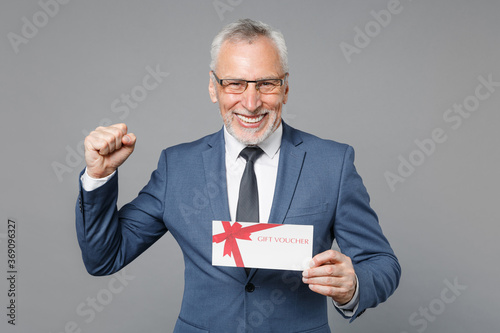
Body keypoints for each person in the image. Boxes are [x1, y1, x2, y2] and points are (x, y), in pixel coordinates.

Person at [76, 18, 401, 332]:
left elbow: (381, 262)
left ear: (285, 88)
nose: (251, 102)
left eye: (266, 84)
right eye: (235, 83)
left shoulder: (332, 163)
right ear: (213, 87)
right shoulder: (178, 167)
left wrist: (353, 285)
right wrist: (99, 177)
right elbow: (104, 258)